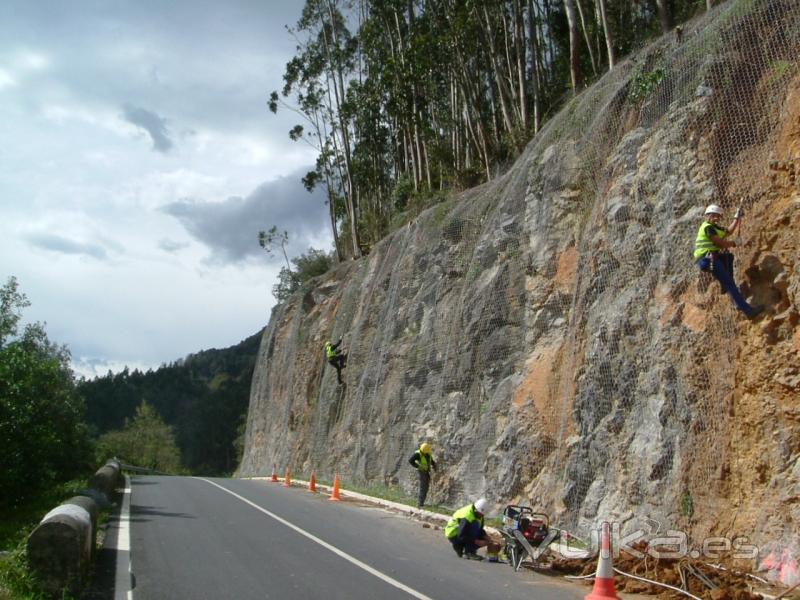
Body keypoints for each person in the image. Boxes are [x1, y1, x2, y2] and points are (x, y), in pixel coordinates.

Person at [694, 203, 764, 320]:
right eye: (714, 215)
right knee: (731, 285)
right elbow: (719, 243)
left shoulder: (714, 227)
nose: (716, 218)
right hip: (708, 259)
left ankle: (725, 284)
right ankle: (748, 311)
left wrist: (737, 218)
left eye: (718, 216)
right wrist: (734, 243)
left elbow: (728, 231)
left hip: (710, 258)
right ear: (708, 215)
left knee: (728, 257)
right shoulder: (708, 227)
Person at [408, 442, 437, 508]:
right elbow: (410, 461)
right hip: (422, 472)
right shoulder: (418, 454)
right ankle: (420, 504)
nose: (425, 452)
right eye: (425, 451)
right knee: (423, 487)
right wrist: (417, 466)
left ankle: (422, 502)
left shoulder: (428, 453)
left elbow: (431, 460)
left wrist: (434, 466)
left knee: (426, 487)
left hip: (427, 471)